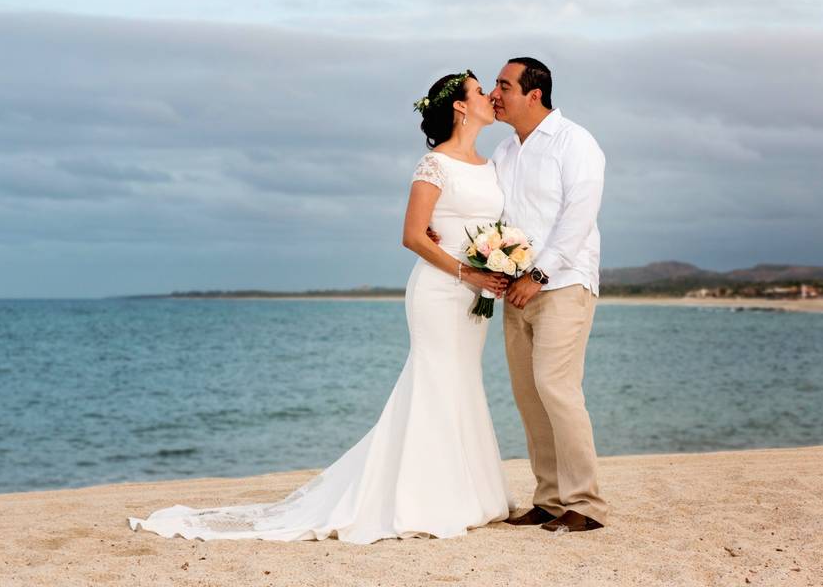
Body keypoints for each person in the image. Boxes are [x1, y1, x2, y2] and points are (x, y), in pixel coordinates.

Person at [127, 70, 515, 544]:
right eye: (480, 92)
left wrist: (503, 259)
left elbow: (488, 223)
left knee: (462, 380)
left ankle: (467, 491)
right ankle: (425, 498)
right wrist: (467, 271)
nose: (490, 98)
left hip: (475, 295)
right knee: (435, 379)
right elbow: (412, 234)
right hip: (440, 291)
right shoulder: (433, 163)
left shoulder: (491, 163)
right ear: (459, 106)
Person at [492, 57, 608, 532]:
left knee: (557, 389)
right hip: (514, 286)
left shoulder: (574, 141)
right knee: (528, 394)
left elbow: (579, 215)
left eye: (503, 85)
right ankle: (551, 498)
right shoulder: (503, 151)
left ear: (533, 94)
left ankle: (587, 503)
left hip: (561, 283)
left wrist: (537, 275)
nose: (495, 94)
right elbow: (491, 214)